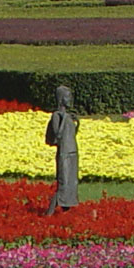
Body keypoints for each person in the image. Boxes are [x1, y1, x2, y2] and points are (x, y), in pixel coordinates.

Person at [44, 85, 79, 215]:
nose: (70, 99)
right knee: (63, 183)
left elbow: (70, 135)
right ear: (61, 98)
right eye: (67, 96)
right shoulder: (56, 116)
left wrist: (76, 123)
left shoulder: (67, 116)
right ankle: (49, 213)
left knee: (71, 183)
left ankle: (66, 212)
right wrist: (64, 119)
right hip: (64, 153)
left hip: (72, 151)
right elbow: (58, 135)